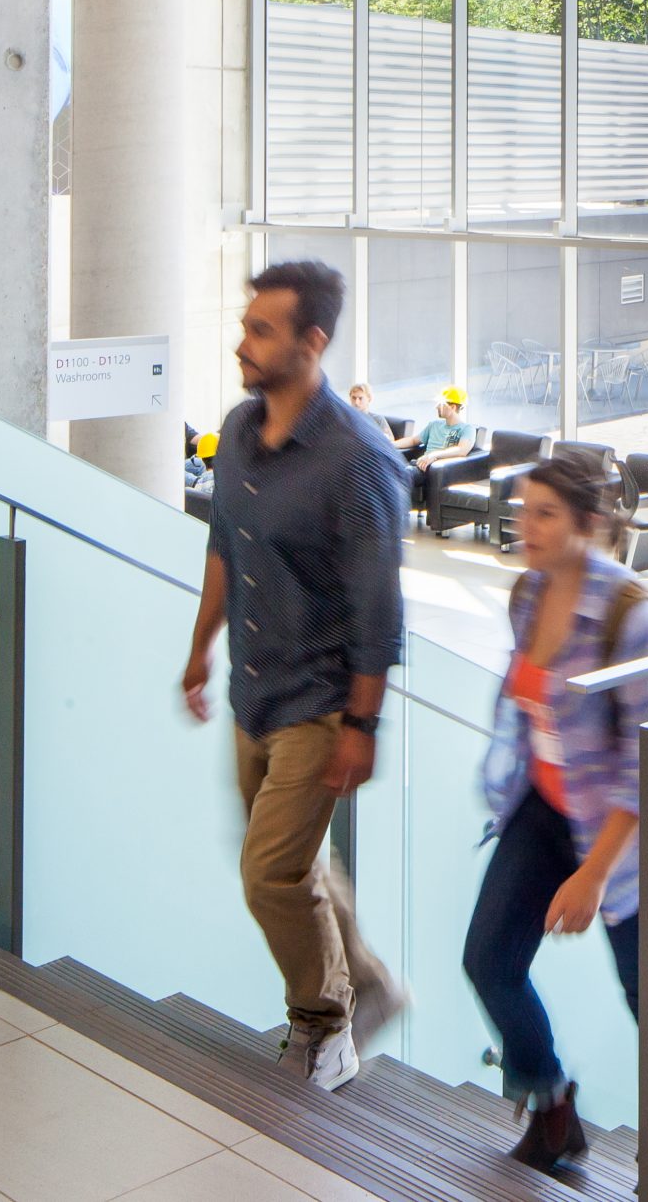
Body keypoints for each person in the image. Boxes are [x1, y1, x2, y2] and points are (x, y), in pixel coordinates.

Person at [183, 260, 409, 1093]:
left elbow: (379, 611)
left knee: (270, 870)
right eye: (247, 325)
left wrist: (362, 726)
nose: (243, 342)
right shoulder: (240, 430)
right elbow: (224, 546)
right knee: (293, 864)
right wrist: (199, 646)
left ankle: (325, 1021)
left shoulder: (357, 459)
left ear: (312, 342)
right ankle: (374, 984)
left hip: (320, 703)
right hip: (254, 690)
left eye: (261, 329)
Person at [465, 456, 648, 1198]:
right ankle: (551, 1102)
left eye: (543, 514)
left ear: (587, 524)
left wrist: (593, 872)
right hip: (545, 803)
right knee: (489, 958)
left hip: (628, 828)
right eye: (522, 509)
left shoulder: (636, 619)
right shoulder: (528, 596)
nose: (524, 526)